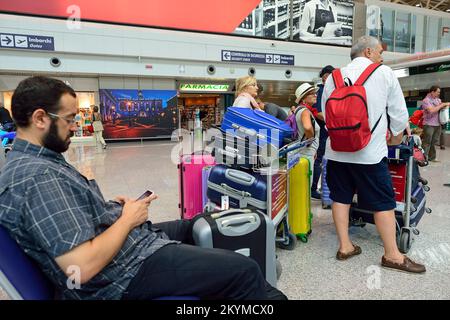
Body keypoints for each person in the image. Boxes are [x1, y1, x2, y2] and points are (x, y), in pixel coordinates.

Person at [0, 76, 286, 300]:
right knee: (244, 271)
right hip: (120, 275)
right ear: (39, 118)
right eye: (69, 119)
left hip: (123, 249)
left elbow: (65, 217)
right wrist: (127, 219)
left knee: (200, 224)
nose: (75, 126)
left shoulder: (37, 161)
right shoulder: (36, 177)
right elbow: (82, 266)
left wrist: (110, 208)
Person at [321, 36, 426, 273]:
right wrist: (394, 139)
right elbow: (399, 115)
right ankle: (392, 255)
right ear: (368, 51)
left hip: (336, 152)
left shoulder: (333, 77)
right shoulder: (384, 73)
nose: (381, 57)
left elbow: (327, 117)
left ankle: (345, 246)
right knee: (383, 202)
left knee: (341, 197)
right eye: (379, 52)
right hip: (369, 153)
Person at [310, 65, 334, 200]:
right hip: (323, 132)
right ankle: (313, 188)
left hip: (327, 131)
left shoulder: (330, 89)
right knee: (319, 160)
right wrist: (334, 123)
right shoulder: (321, 90)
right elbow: (319, 113)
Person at [293, 83, 320, 186]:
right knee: (305, 184)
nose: (315, 95)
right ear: (303, 98)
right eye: (312, 93)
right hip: (305, 153)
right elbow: (307, 127)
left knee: (300, 184)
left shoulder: (298, 110)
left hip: (301, 151)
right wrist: (311, 141)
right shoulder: (305, 111)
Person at [421, 86, 450, 162]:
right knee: (427, 142)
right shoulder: (426, 100)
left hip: (438, 124)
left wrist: (445, 106)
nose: (439, 93)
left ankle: (432, 158)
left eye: (439, 92)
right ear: (432, 92)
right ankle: (422, 158)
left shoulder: (438, 100)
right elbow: (431, 110)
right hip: (429, 124)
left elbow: (441, 109)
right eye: (438, 92)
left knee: (433, 142)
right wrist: (442, 105)